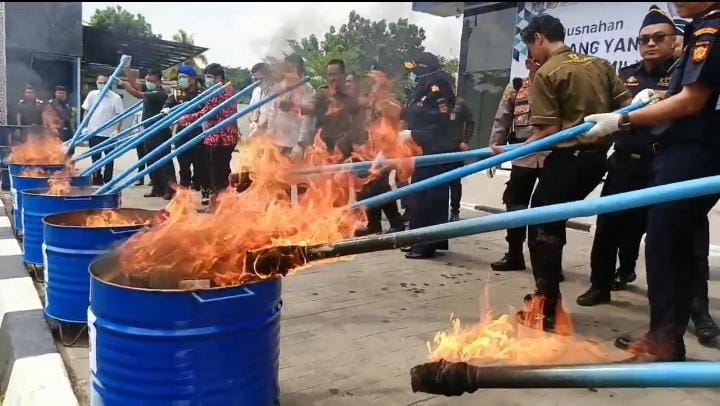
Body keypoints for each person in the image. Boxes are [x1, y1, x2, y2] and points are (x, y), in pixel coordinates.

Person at [583, 2, 720, 360]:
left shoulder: (711, 29)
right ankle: (665, 335)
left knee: (667, 247)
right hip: (685, 151)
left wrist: (623, 122)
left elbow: (692, 101)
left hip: (692, 149)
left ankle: (666, 339)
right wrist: (657, 99)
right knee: (668, 244)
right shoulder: (701, 30)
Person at [517, 15, 631, 332]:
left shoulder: (548, 72)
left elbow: (549, 130)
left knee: (540, 227)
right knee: (551, 221)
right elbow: (628, 106)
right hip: (596, 160)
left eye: (531, 47)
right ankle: (546, 297)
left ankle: (546, 308)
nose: (532, 56)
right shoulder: (601, 64)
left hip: (568, 159)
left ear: (538, 38)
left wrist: (514, 150)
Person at [578, 6, 678, 304]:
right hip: (623, 165)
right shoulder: (626, 76)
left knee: (658, 235)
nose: (650, 44)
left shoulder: (680, 77)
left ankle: (670, 301)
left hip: (660, 166)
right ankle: (600, 285)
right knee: (607, 226)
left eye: (659, 38)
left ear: (674, 41)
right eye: (644, 39)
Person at [488, 59, 547, 271]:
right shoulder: (516, 86)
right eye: (538, 61)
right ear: (529, 62)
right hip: (522, 155)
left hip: (553, 155)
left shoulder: (557, 84)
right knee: (515, 205)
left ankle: (547, 262)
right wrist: (495, 147)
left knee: (548, 209)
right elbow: (502, 118)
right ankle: (514, 255)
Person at [397, 52, 456, 259]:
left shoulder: (438, 85)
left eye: (417, 69)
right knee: (419, 196)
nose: (414, 74)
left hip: (435, 150)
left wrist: (414, 134)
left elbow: (441, 121)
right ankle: (418, 239)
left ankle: (425, 244)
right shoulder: (421, 88)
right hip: (422, 150)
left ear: (426, 68)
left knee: (428, 198)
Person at [348, 71, 405, 236]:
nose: (373, 91)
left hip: (386, 151)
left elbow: (394, 125)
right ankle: (375, 224)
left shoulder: (389, 104)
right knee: (371, 186)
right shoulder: (373, 105)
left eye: (376, 87)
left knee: (379, 186)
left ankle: (395, 222)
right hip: (372, 151)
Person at [180, 63, 238, 202]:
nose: (207, 80)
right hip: (222, 138)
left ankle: (221, 203)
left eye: (210, 77)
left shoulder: (220, 92)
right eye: (206, 77)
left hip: (220, 138)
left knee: (217, 174)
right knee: (221, 172)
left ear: (219, 77)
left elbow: (206, 114)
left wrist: (185, 118)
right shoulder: (227, 89)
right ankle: (223, 201)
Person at [124, 67, 175, 199]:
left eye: (151, 81)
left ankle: (169, 189)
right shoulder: (150, 89)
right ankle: (156, 188)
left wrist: (127, 87)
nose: (148, 82)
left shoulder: (160, 94)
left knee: (164, 161)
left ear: (158, 82)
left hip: (160, 132)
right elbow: (136, 85)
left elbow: (138, 94)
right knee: (151, 161)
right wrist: (126, 70)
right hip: (148, 131)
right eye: (147, 80)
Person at [163, 65, 211, 204]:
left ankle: (204, 191)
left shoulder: (203, 93)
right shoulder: (178, 93)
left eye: (184, 77)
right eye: (179, 78)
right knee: (184, 167)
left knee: (200, 167)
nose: (181, 80)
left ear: (192, 78)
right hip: (182, 134)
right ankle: (184, 196)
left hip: (198, 134)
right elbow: (168, 104)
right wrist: (166, 109)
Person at [82, 75, 125, 185]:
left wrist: (117, 130)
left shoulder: (115, 98)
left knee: (109, 160)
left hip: (108, 134)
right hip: (93, 132)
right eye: (100, 82)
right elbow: (86, 111)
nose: (102, 84)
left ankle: (108, 181)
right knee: (95, 159)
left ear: (109, 84)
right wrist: (85, 126)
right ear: (96, 82)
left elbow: (120, 116)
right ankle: (97, 178)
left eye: (104, 82)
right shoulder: (92, 95)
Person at [448, 97, 475, 222]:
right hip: (438, 148)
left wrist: (465, 141)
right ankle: (440, 211)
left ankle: (455, 211)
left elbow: (470, 122)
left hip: (455, 148)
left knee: (454, 182)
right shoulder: (436, 102)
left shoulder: (460, 103)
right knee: (438, 183)